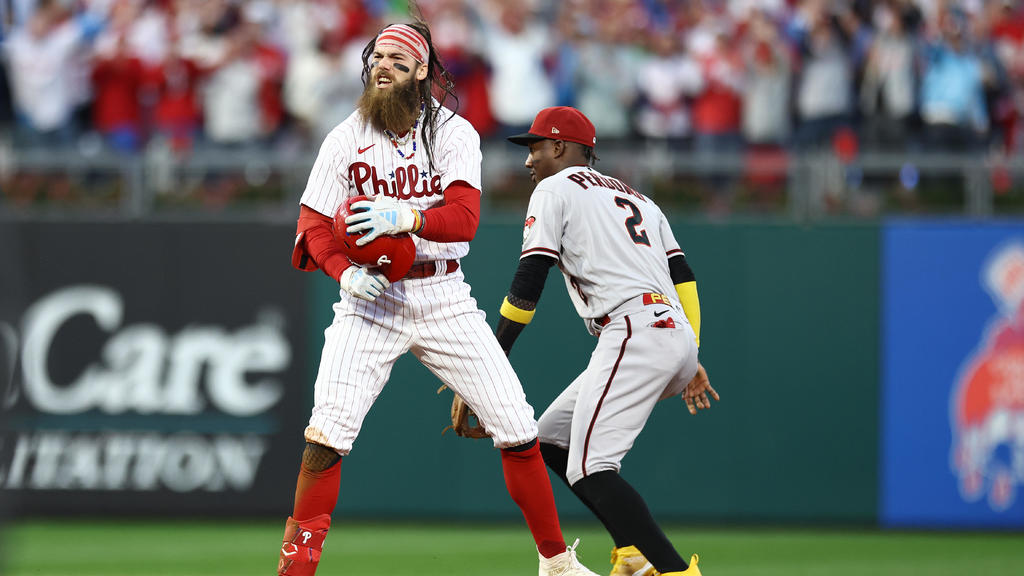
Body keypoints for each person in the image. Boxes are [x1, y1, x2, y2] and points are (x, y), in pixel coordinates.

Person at [278, 22, 601, 576]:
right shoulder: (345, 136)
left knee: (516, 424)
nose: (385, 69)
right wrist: (342, 274)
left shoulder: (453, 132)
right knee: (326, 435)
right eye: (378, 59)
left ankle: (556, 564)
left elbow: (466, 220)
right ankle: (295, 570)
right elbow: (311, 223)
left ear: (421, 73)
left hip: (441, 290)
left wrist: (408, 216)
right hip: (368, 301)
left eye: (399, 63)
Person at [496, 106, 719, 576]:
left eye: (534, 146)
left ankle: (677, 572)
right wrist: (692, 350)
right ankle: (632, 553)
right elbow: (685, 277)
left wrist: (493, 358)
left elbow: (530, 277)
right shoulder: (642, 199)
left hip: (634, 328)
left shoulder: (553, 189)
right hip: (669, 328)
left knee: (590, 469)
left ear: (560, 147)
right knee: (550, 438)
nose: (527, 160)